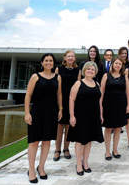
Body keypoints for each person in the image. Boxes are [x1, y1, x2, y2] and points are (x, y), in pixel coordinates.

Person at [24, 53, 62, 183]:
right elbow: (28, 95)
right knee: (34, 142)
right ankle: (31, 170)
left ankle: (41, 167)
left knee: (47, 141)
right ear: (42, 63)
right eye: (46, 60)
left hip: (51, 112)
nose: (48, 62)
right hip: (37, 112)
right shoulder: (35, 77)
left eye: (51, 60)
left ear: (53, 63)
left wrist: (61, 109)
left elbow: (59, 94)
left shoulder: (57, 77)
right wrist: (27, 113)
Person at [68, 61, 104, 176]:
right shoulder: (78, 83)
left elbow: (99, 102)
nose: (90, 71)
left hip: (93, 116)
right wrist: (72, 116)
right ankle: (78, 164)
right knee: (80, 141)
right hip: (80, 116)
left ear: (95, 72)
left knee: (89, 140)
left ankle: (85, 162)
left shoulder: (97, 84)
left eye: (92, 69)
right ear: (84, 71)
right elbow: (71, 100)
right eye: (88, 69)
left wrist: (101, 115)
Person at [100, 56, 129, 160]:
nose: (117, 65)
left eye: (120, 64)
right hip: (108, 105)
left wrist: (128, 105)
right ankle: (107, 151)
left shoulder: (124, 76)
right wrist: (100, 107)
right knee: (108, 128)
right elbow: (101, 92)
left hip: (121, 105)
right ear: (112, 64)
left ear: (122, 66)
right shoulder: (106, 76)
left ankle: (115, 149)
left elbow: (127, 91)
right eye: (116, 63)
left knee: (118, 128)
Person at [54, 50, 80, 162]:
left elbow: (78, 86)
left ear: (74, 58)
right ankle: (57, 150)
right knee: (59, 127)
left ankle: (66, 149)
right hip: (60, 100)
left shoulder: (78, 71)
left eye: (72, 56)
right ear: (65, 58)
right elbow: (54, 85)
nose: (70, 58)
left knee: (69, 126)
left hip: (72, 100)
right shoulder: (58, 69)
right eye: (68, 56)